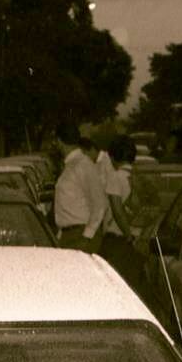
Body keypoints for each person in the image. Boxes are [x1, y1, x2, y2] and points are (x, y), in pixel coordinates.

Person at [98, 135, 144, 291]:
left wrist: (128, 235)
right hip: (140, 238)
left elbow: (117, 211)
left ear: (113, 157)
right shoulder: (139, 177)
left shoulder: (115, 177)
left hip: (119, 240)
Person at [53, 123, 107, 252]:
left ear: (59, 141)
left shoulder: (83, 165)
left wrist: (87, 236)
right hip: (69, 235)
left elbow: (100, 203)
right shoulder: (72, 164)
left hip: (80, 236)